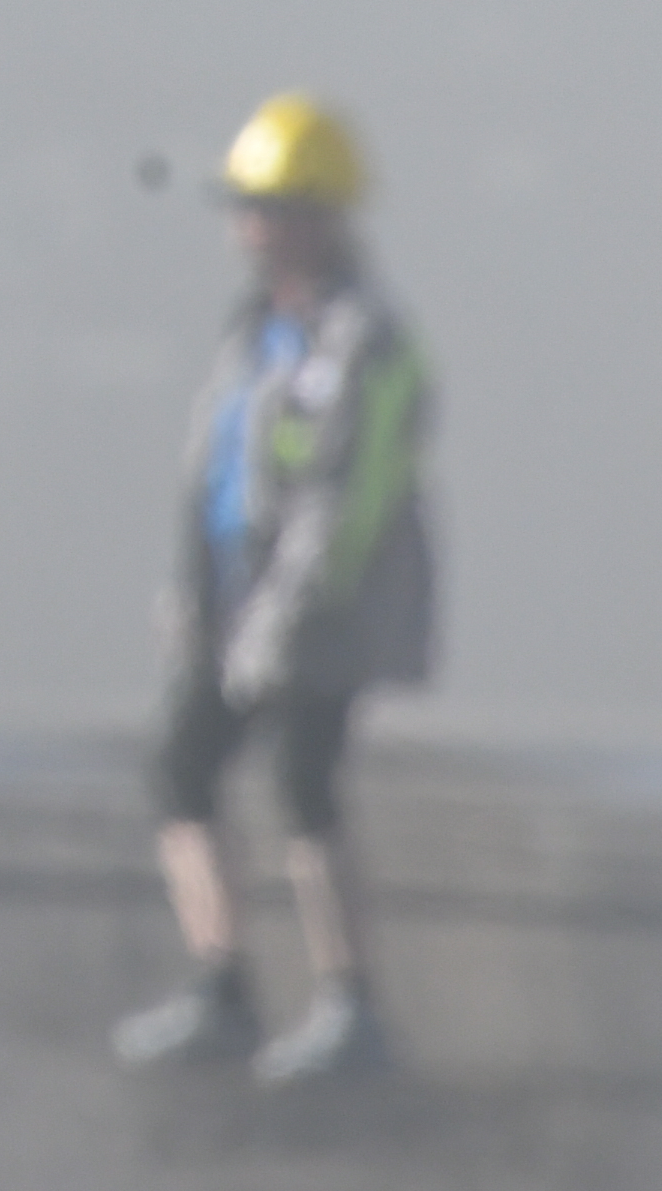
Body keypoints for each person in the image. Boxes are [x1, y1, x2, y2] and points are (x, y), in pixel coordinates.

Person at [109, 92, 436, 1088]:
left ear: (317, 216)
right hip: (233, 611)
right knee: (180, 772)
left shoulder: (367, 341)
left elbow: (349, 504)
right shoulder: (256, 331)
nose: (247, 227)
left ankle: (350, 1006)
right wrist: (193, 600)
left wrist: (284, 619)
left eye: (265, 208)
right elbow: (213, 475)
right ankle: (224, 989)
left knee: (304, 791)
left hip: (312, 622)